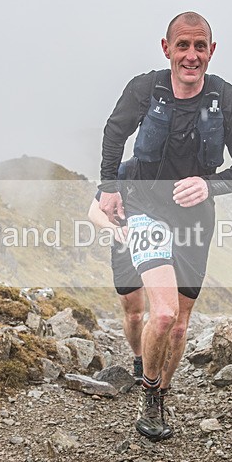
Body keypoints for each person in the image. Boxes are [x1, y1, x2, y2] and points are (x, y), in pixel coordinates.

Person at [98, 11, 232, 441]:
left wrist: (209, 186)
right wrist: (109, 187)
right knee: (161, 311)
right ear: (166, 48)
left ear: (212, 51)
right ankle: (149, 391)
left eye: (200, 46)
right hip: (144, 208)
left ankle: (161, 389)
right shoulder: (144, 89)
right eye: (183, 46)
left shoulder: (227, 99)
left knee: (180, 322)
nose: (192, 55)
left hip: (194, 219)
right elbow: (115, 133)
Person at [87, 158, 147, 384]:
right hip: (126, 247)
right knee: (134, 314)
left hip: (164, 244)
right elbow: (94, 211)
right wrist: (115, 229)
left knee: (166, 310)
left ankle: (156, 358)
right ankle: (140, 358)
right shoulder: (125, 170)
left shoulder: (174, 167)